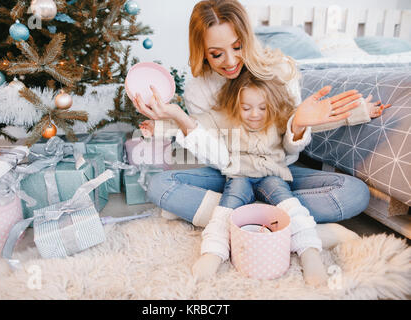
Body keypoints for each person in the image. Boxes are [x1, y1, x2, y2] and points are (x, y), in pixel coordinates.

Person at [131, 0, 388, 284]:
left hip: (277, 169)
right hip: (229, 171)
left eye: (237, 47)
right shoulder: (199, 89)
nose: (230, 62)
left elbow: (289, 150)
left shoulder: (279, 69)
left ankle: (234, 220)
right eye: (216, 54)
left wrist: (299, 124)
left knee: (354, 193)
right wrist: (177, 119)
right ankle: (292, 226)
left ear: (249, 39)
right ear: (202, 51)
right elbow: (220, 157)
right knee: (159, 186)